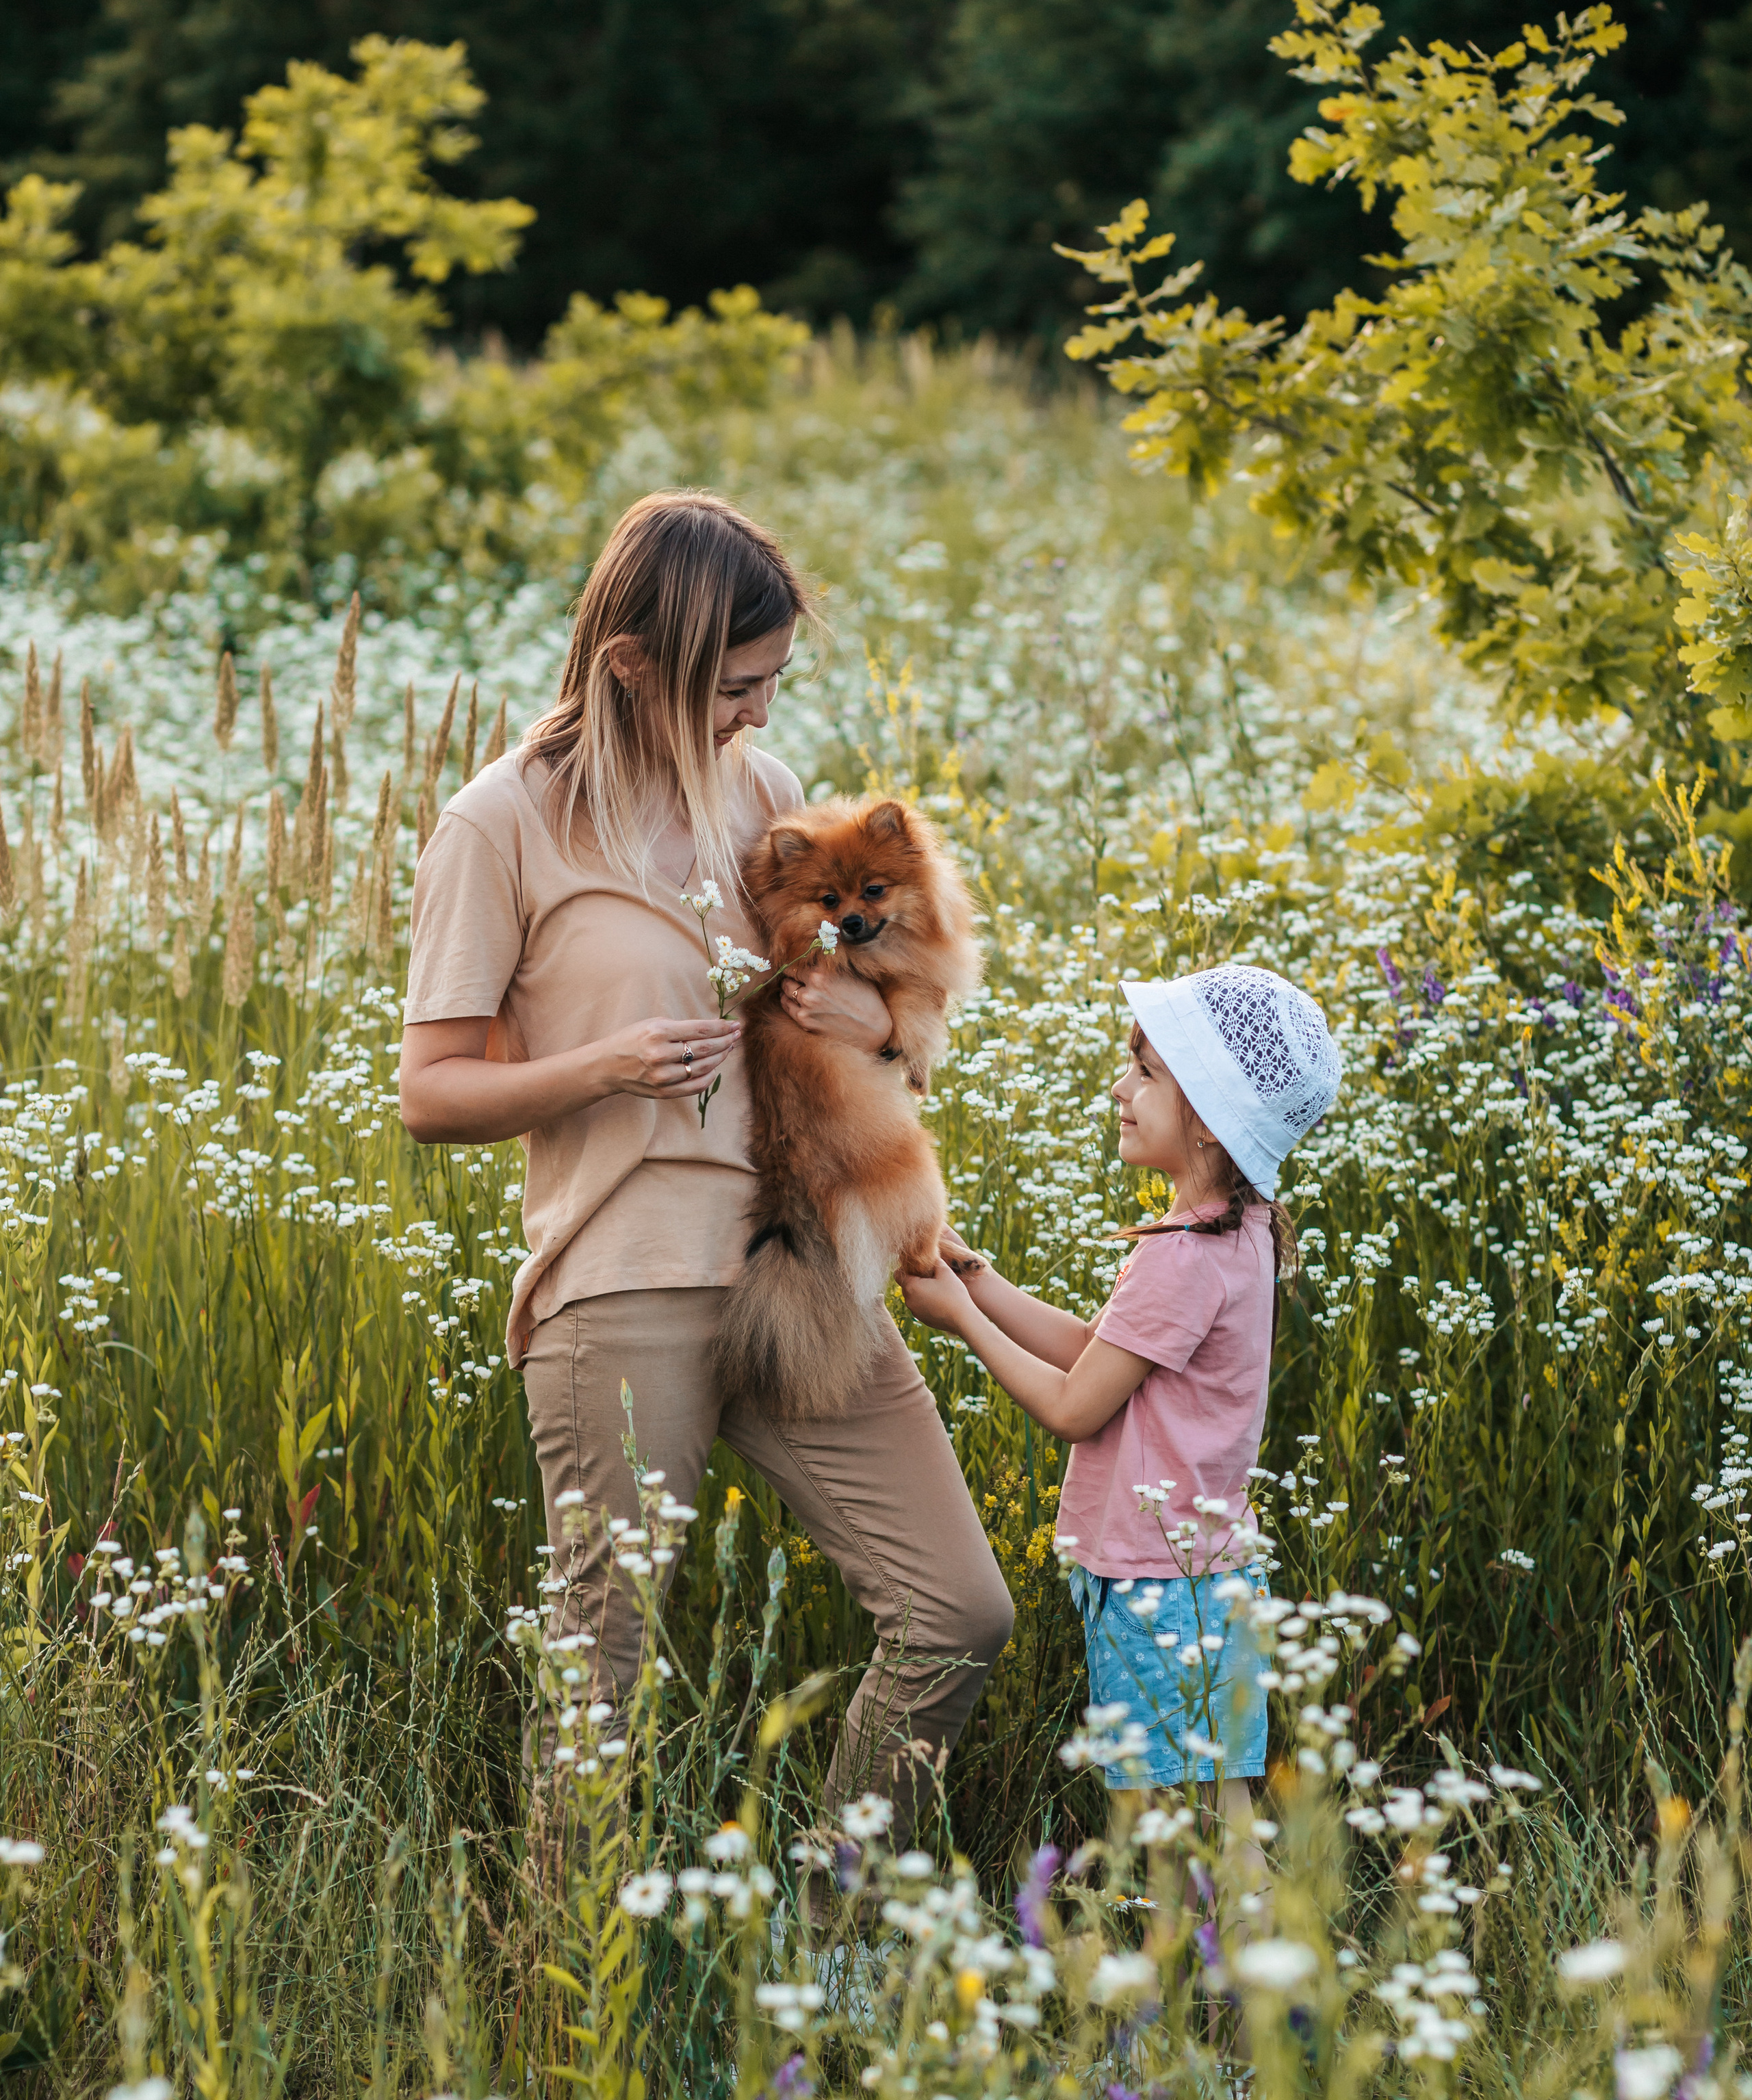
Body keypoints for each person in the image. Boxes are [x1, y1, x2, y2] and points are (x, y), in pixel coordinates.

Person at [399, 490, 1013, 1843]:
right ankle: (576, 2035)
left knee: (956, 1613)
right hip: (621, 1286)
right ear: (634, 664)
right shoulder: (498, 826)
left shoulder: (762, 798)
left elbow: (854, 998)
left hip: (802, 1257)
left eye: (774, 681)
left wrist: (880, 1028)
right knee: (601, 1691)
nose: (760, 717)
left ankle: (828, 1933)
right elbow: (430, 1092)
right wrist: (607, 1066)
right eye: (737, 687)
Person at [899, 961, 1341, 1867]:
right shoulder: (1231, 1234)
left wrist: (960, 1322)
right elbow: (1095, 1349)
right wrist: (977, 1277)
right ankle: (1249, 1997)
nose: (1120, 1089)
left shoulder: (1183, 1257)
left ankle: (1237, 1999)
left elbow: (1074, 1403)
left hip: (1160, 1585)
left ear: (1210, 1117)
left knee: (1185, 1836)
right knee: (1219, 1819)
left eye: (1146, 1072)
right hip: (1207, 1575)